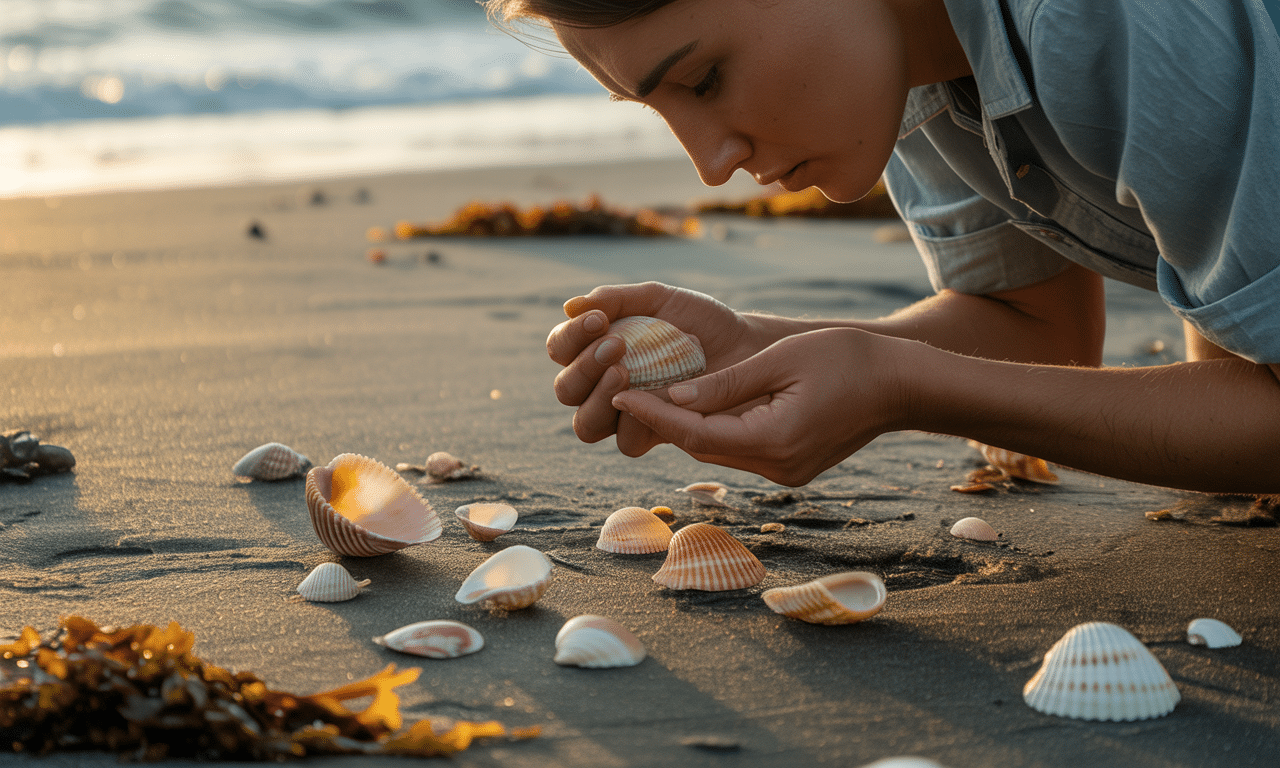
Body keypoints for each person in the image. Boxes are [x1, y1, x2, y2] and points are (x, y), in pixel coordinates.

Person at [487, 0, 1280, 494]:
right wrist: (757, 349)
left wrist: (901, 387)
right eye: (652, 106)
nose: (712, 163)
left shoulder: (1088, 17)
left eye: (703, 80)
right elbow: (1033, 326)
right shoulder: (904, 53)